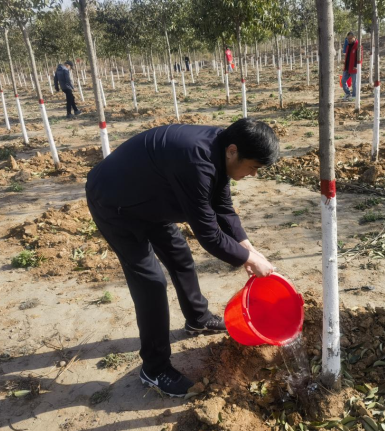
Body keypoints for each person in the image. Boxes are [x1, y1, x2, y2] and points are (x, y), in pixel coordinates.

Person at [85, 119, 278, 397]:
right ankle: (154, 369)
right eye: (254, 167)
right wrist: (250, 260)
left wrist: (249, 248)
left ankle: (198, 318)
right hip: (114, 202)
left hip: (150, 197)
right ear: (233, 151)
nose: (254, 174)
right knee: (151, 282)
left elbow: (222, 207)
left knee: (180, 256)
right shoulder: (197, 161)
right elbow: (209, 235)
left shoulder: (220, 149)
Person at [341, 31, 360, 101]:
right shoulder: (348, 46)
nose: (349, 40)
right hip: (347, 67)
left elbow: (360, 57)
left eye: (350, 38)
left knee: (354, 83)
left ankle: (354, 96)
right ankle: (348, 93)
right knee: (343, 81)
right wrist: (345, 63)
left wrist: (356, 65)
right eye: (348, 38)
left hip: (354, 67)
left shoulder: (358, 46)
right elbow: (348, 56)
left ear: (354, 38)